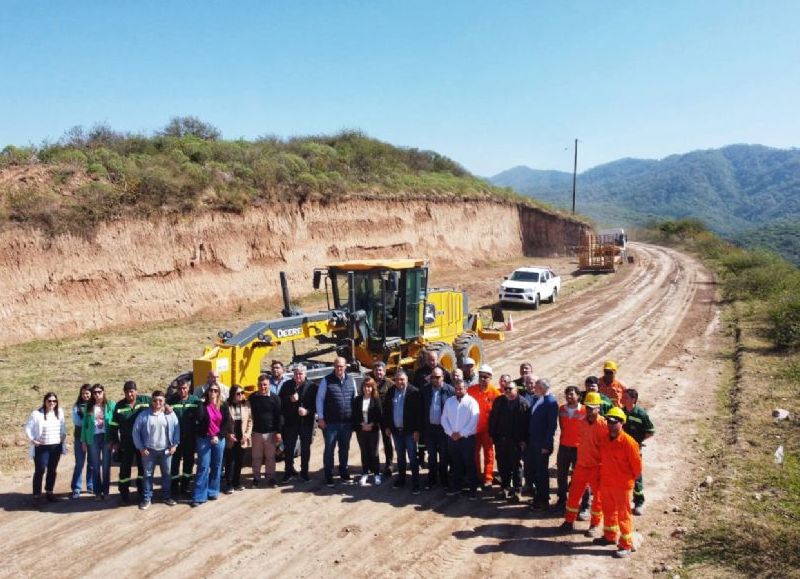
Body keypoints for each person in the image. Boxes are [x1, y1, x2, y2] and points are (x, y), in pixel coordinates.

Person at [594, 407, 642, 558]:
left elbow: (637, 468)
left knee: (623, 515)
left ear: (622, 423)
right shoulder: (605, 439)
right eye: (609, 421)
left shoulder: (629, 442)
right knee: (608, 511)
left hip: (622, 486)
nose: (611, 424)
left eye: (615, 422)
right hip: (607, 482)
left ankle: (626, 544)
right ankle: (609, 536)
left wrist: (627, 481)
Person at [561, 392, 608, 535]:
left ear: (598, 408)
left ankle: (594, 525)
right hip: (581, 465)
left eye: (592, 408)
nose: (589, 411)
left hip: (596, 467)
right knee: (574, 494)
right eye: (587, 408)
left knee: (597, 499)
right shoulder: (581, 422)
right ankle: (569, 521)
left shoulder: (604, 425)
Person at [133, 390, 180, 509]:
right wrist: (141, 448)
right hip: (149, 451)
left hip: (166, 450)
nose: (157, 403)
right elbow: (135, 432)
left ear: (164, 401)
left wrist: (174, 445)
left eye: (160, 400)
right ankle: (147, 498)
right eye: (155, 400)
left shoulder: (169, 414)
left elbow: (176, 428)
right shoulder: (144, 415)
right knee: (148, 475)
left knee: (167, 474)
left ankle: (166, 496)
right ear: (151, 401)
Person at [316, 357, 358, 487]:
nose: (339, 368)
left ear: (346, 367)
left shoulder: (351, 380)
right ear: (334, 367)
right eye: (337, 366)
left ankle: (343, 473)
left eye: (342, 366)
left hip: (347, 423)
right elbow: (320, 399)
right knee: (329, 449)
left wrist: (355, 419)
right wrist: (321, 418)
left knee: (344, 449)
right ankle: (329, 475)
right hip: (331, 424)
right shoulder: (326, 380)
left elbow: (355, 399)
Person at [110, 380, 151, 504]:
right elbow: (113, 425)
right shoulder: (119, 406)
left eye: (132, 392)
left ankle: (141, 492)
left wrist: (166, 407)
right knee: (124, 469)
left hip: (142, 443)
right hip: (126, 443)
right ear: (124, 393)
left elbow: (158, 402)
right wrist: (116, 442)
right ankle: (124, 495)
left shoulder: (144, 401)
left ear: (136, 391)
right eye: (127, 392)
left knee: (142, 468)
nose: (130, 394)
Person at [488, 379, 529, 502]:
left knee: (516, 466)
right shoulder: (499, 401)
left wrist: (524, 440)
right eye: (505, 389)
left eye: (510, 388)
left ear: (516, 389)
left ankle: (517, 489)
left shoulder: (523, 403)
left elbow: (526, 425)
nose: (507, 391)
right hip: (501, 440)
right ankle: (504, 487)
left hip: (516, 441)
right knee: (502, 464)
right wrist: (493, 435)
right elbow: (493, 418)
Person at [383, 371, 424, 494]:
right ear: (394, 380)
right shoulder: (391, 392)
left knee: (412, 457)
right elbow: (387, 411)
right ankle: (401, 479)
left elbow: (419, 414)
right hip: (396, 431)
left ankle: (415, 482)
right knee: (400, 457)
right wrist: (388, 426)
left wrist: (417, 430)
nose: (400, 382)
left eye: (402, 379)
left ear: (407, 379)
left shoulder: (414, 392)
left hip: (410, 432)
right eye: (397, 380)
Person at [442, 374, 480, 500]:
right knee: (456, 464)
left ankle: (473, 489)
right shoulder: (449, 401)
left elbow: (474, 421)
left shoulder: (472, 402)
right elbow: (444, 419)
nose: (458, 391)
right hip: (452, 438)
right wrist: (450, 432)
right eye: (456, 389)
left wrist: (461, 433)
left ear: (466, 389)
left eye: (461, 388)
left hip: (467, 439)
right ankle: (457, 487)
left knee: (470, 464)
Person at [192, 383, 231, 507]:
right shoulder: (202, 405)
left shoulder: (223, 406)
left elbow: (227, 423)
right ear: (207, 392)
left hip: (218, 439)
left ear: (219, 393)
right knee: (203, 465)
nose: (213, 393)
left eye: (215, 391)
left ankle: (213, 491)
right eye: (211, 390)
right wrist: (200, 403)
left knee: (216, 465)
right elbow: (199, 419)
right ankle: (199, 496)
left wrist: (218, 436)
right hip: (204, 438)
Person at [24, 392, 67, 504]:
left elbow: (62, 426)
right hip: (42, 447)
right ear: (45, 401)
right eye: (49, 401)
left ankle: (49, 492)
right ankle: (36, 495)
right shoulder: (36, 414)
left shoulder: (59, 412)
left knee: (52, 470)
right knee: (40, 470)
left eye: (54, 401)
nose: (52, 403)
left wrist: (63, 435)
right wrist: (32, 439)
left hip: (56, 446)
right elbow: (28, 427)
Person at [279, 364, 316, 482]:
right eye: (296, 374)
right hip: (290, 422)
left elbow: (317, 405)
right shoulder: (287, 385)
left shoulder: (312, 386)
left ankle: (304, 472)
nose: (298, 376)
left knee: (305, 448)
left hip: (306, 422)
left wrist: (307, 411)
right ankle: (288, 471)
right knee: (289, 448)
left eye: (300, 373)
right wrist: (289, 399)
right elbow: (280, 402)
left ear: (305, 374)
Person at [622, 388, 655, 515]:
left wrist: (639, 441)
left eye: (626, 398)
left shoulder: (641, 414)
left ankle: (638, 502)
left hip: (635, 450)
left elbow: (650, 431)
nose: (623, 400)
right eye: (623, 398)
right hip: (622, 450)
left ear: (633, 399)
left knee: (636, 475)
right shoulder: (621, 411)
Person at [467, 364, 501, 488]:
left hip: (488, 430)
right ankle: (476, 476)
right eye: (481, 377)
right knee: (474, 453)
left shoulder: (495, 393)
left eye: (485, 377)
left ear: (490, 377)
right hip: (474, 429)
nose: (483, 379)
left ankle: (488, 478)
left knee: (489, 454)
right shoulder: (471, 391)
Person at [421, 367, 455, 490]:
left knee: (444, 455)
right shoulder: (425, 390)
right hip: (429, 429)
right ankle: (432, 479)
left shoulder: (450, 391)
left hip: (443, 430)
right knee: (431, 455)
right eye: (433, 377)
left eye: (438, 377)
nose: (435, 379)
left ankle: (444, 479)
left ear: (443, 377)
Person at [527, 378, 558, 510]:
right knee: (533, 470)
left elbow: (551, 427)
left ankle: (543, 499)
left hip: (542, 444)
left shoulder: (551, 402)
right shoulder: (537, 399)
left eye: (537, 387)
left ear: (543, 388)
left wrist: (546, 445)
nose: (534, 388)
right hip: (533, 442)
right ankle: (539, 496)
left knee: (541, 472)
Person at [166, 377, 200, 497]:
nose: (182, 391)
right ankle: (174, 487)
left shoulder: (195, 401)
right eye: (180, 389)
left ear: (189, 388)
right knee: (174, 463)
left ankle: (185, 486)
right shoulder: (171, 401)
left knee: (188, 462)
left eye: (184, 388)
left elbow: (201, 418)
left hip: (190, 438)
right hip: (175, 439)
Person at [81, 384, 115, 501]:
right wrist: (83, 441)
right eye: (94, 392)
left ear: (103, 392)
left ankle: (105, 491)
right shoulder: (89, 407)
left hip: (107, 438)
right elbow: (84, 425)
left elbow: (115, 422)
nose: (97, 394)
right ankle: (97, 493)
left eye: (99, 392)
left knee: (106, 466)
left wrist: (115, 439)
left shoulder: (110, 405)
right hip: (93, 438)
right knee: (95, 466)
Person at [250, 373, 283, 487]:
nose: (262, 387)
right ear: (257, 385)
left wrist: (278, 432)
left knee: (270, 457)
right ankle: (256, 477)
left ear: (269, 385)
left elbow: (279, 416)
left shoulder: (275, 398)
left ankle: (271, 478)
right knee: (256, 457)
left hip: (271, 433)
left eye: (265, 385)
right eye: (260, 385)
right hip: (256, 433)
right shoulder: (253, 397)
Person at [556, 386, 585, 509]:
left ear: (578, 396)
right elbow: (562, 426)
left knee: (578, 476)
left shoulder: (584, 410)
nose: (569, 397)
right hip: (564, 447)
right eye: (567, 394)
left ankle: (578, 502)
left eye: (572, 394)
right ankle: (562, 499)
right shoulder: (561, 409)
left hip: (579, 449)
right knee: (561, 474)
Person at [353, 377, 384, 486]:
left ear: (373, 388)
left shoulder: (376, 399)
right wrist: (362, 424)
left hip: (373, 430)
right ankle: (365, 473)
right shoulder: (357, 400)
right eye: (366, 386)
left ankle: (376, 473)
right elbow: (355, 415)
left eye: (370, 386)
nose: (368, 389)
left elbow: (379, 415)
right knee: (364, 451)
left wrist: (372, 424)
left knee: (374, 452)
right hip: (361, 430)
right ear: (362, 387)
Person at [223, 384, 253, 493]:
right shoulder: (226, 405)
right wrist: (227, 435)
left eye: (242, 393)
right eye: (238, 393)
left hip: (242, 437)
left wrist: (247, 434)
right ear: (232, 395)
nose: (241, 395)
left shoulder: (246, 405)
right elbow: (223, 422)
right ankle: (229, 484)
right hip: (231, 437)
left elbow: (250, 421)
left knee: (240, 460)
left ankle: (237, 482)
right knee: (230, 461)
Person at [370, 361, 395, 477]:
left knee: (387, 441)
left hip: (386, 418)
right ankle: (373, 465)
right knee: (372, 442)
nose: (378, 372)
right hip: (373, 417)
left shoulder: (390, 384)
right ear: (373, 371)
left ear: (384, 372)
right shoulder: (369, 383)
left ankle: (389, 465)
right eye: (376, 370)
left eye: (380, 370)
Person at [70, 384, 94, 499]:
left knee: (92, 463)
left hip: (93, 438)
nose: (85, 395)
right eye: (83, 393)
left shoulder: (96, 405)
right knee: (79, 463)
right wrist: (90, 418)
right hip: (80, 438)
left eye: (88, 393)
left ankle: (91, 485)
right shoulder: (76, 406)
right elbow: (77, 422)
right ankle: (76, 488)